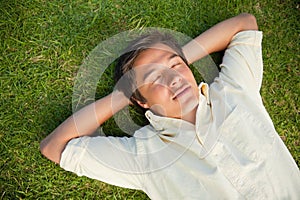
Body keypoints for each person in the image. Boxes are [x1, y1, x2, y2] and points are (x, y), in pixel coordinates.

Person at [40, 13, 300, 199]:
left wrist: (180, 56)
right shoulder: (144, 156)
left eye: (176, 66)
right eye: (155, 78)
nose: (174, 78)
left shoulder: (234, 90)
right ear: (141, 101)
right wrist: (124, 94)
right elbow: (55, 147)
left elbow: (244, 24)